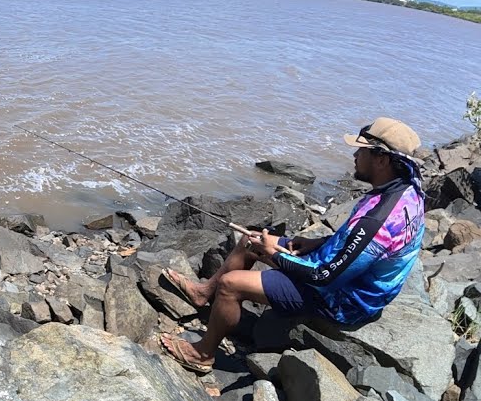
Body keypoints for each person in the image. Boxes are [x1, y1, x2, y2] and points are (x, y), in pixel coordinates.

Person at [159, 117, 426, 374]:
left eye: (361, 151)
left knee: (231, 284)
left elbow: (324, 277)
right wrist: (319, 242)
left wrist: (273, 254)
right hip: (340, 271)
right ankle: (203, 293)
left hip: (343, 299)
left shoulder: (378, 222)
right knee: (249, 239)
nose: (355, 156)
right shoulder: (407, 190)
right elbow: (356, 246)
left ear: (381, 159)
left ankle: (203, 354)